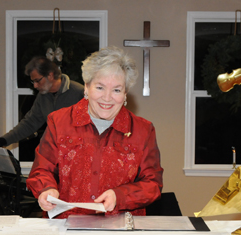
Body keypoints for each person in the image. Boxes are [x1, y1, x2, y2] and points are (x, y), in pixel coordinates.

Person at [26, 46, 163, 218]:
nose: (107, 97)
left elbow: (153, 184)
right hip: (68, 227)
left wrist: (119, 196)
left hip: (119, 231)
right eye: (100, 87)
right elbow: (41, 169)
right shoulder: (59, 122)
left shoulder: (143, 130)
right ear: (86, 87)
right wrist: (46, 189)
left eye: (116, 90)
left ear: (125, 93)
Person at [0, 56, 84, 147]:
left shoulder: (80, 93)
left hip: (78, 155)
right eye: (33, 81)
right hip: (56, 154)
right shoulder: (43, 96)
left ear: (50, 75)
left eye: (38, 80)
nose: (35, 86)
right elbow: (30, 123)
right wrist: (4, 140)